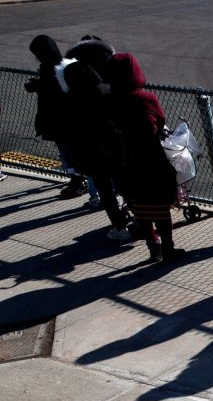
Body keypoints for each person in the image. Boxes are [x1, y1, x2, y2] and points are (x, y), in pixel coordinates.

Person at [108, 52, 184, 264]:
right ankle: (168, 247)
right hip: (151, 160)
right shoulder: (145, 99)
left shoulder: (111, 101)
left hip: (126, 163)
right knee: (160, 208)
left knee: (139, 207)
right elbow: (159, 122)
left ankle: (154, 248)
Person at [62, 59, 133, 240]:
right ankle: (141, 218)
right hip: (115, 149)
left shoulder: (71, 100)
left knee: (105, 191)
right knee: (125, 185)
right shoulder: (104, 93)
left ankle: (119, 226)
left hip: (91, 154)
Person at [26, 35, 88, 200]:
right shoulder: (65, 64)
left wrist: (37, 87)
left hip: (57, 118)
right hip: (66, 117)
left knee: (67, 151)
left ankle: (77, 180)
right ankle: (79, 178)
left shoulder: (49, 68)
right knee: (70, 151)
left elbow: (52, 92)